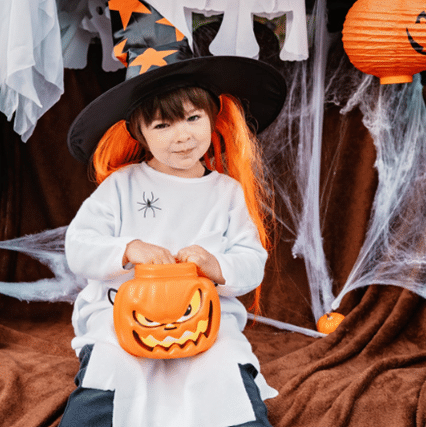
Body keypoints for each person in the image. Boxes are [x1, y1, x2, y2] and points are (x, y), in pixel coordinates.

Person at [60, 2, 286, 426]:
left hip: (202, 318)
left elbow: (251, 259)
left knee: (222, 374)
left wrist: (215, 264)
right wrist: (128, 249)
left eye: (192, 119)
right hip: (122, 314)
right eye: (162, 126)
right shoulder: (122, 187)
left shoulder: (226, 193)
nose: (181, 137)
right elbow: (80, 246)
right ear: (139, 133)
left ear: (213, 117)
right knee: (113, 375)